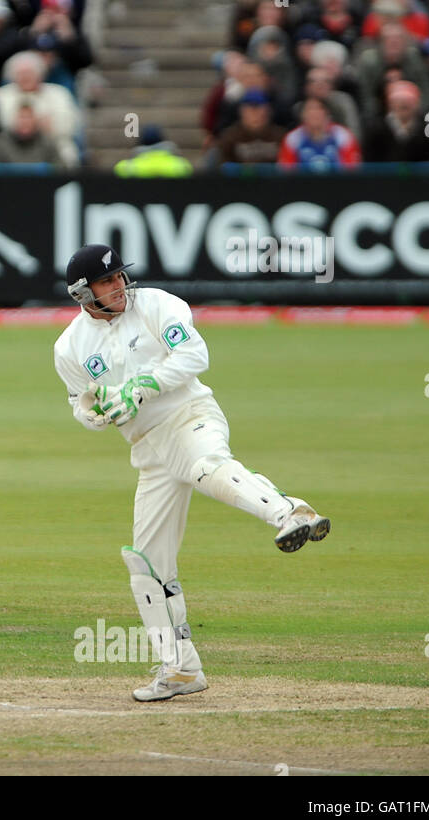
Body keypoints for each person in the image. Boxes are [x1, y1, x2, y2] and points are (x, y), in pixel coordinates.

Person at [53, 243, 331, 702]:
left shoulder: (160, 305)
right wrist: (94, 414)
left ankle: (291, 512)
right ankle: (181, 669)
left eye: (120, 276)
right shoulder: (70, 347)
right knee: (146, 565)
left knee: (206, 466)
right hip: (148, 449)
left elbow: (194, 357)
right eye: (106, 282)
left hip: (189, 415)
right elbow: (79, 403)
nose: (119, 286)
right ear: (83, 293)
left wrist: (141, 387)